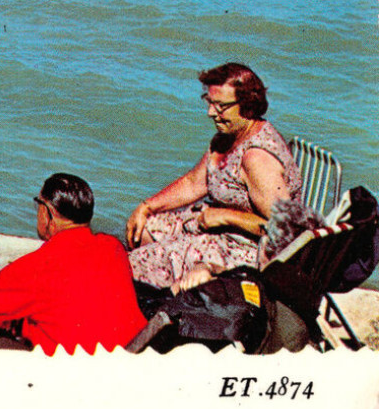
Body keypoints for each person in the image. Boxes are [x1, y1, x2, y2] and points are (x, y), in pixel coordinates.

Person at [126, 63, 304, 290]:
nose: (211, 113)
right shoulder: (227, 137)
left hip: (246, 250)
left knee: (138, 263)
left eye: (220, 106)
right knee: (144, 228)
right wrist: (146, 207)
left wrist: (226, 216)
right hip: (217, 227)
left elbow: (285, 229)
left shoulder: (257, 158)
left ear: (248, 105)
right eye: (209, 102)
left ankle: (155, 301)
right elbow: (195, 182)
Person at [0, 173, 145, 355]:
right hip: (128, 358)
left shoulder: (37, 265)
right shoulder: (113, 247)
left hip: (71, 374)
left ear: (47, 213)